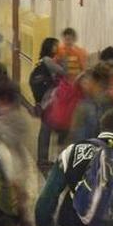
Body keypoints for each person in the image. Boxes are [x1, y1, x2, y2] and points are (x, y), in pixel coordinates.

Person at [31, 37, 68, 167]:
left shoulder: (43, 61)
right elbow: (64, 72)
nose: (58, 48)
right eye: (55, 46)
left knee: (47, 128)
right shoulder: (48, 61)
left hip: (45, 100)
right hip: (49, 100)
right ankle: (43, 159)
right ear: (49, 47)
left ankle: (44, 159)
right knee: (47, 128)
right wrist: (65, 59)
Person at [69, 63, 113, 144]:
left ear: (96, 82)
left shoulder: (87, 106)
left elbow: (78, 135)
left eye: (87, 80)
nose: (84, 84)